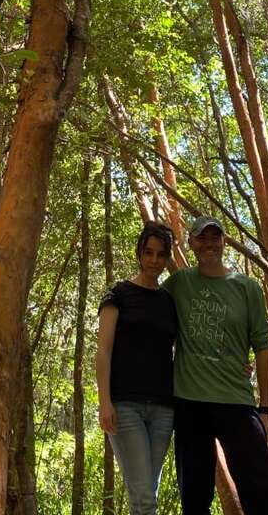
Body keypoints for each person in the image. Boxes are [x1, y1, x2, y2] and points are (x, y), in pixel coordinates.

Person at [162, 214, 268, 515]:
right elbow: (149, 311)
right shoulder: (179, 283)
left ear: (224, 241)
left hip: (236, 401)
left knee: (262, 492)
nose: (208, 244)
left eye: (214, 237)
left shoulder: (247, 287)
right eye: (201, 238)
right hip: (190, 405)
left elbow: (263, 347)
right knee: (195, 496)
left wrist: (266, 409)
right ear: (190, 243)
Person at [95, 221, 178, 515]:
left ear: (168, 258)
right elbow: (103, 350)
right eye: (149, 253)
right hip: (125, 405)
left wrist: (235, 366)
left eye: (161, 254)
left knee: (145, 493)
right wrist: (104, 401)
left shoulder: (170, 301)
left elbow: (191, 349)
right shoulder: (118, 294)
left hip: (164, 409)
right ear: (139, 253)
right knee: (144, 497)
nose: (154, 260)